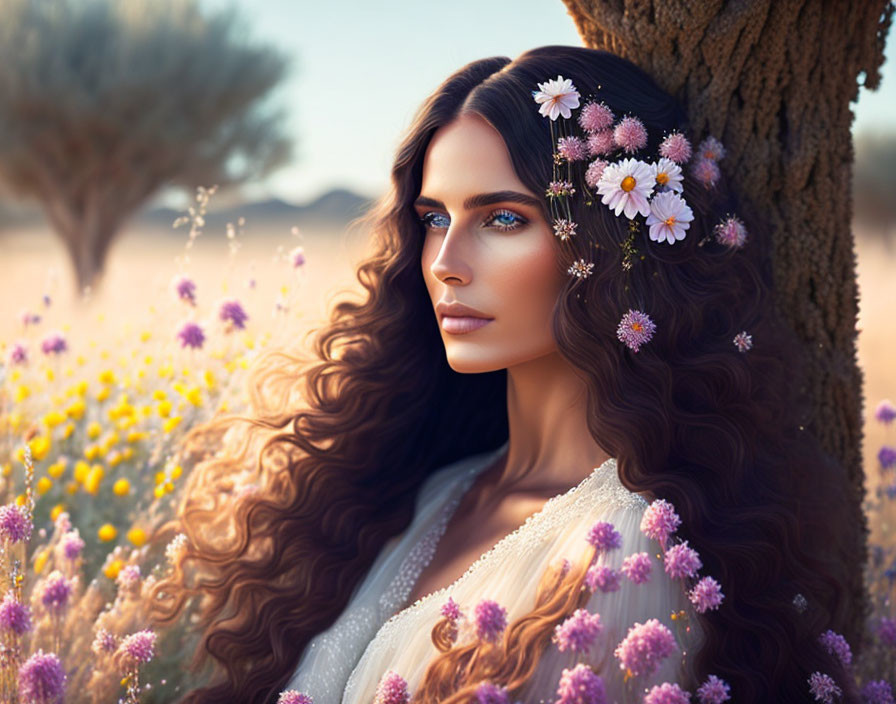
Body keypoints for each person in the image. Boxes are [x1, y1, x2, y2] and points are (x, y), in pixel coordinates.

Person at [147, 46, 861, 703]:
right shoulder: (437, 492)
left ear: (609, 245)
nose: (446, 261)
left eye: (503, 220)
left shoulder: (627, 551)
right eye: (433, 217)